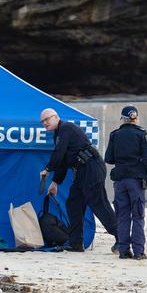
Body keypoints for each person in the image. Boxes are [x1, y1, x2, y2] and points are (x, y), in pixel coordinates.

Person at [39, 108, 118, 252]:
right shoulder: (58, 134)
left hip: (92, 167)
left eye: (47, 119)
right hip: (81, 171)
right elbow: (62, 161)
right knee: (73, 203)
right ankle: (76, 243)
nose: (45, 123)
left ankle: (121, 238)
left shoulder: (66, 127)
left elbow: (59, 153)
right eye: (42, 121)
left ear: (56, 117)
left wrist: (48, 169)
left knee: (98, 204)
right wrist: (55, 182)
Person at [104, 106, 147, 260]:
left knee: (122, 216)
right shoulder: (142, 134)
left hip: (120, 180)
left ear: (123, 119)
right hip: (136, 181)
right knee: (138, 216)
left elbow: (108, 158)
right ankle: (139, 251)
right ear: (136, 118)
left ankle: (123, 251)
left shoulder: (115, 135)